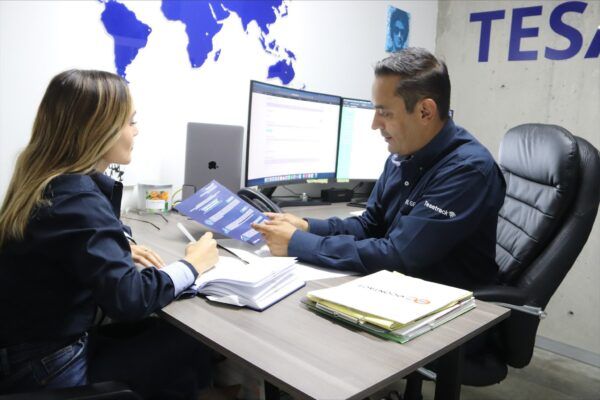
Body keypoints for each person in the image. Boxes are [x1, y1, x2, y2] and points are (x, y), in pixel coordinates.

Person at [0, 70, 219, 398]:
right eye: (131, 121)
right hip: (51, 367)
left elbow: (78, 239)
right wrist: (193, 264)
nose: (136, 130)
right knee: (191, 341)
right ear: (99, 129)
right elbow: (130, 300)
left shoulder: (45, 181)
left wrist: (118, 248)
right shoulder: (76, 198)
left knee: (166, 340)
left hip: (26, 355)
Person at [253, 48, 506, 291]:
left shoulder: (468, 171)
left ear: (425, 112)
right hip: (400, 289)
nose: (375, 124)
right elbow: (370, 225)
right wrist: (307, 227)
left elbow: (399, 256)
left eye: (385, 113)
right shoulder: (403, 154)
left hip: (452, 305)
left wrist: (297, 243)